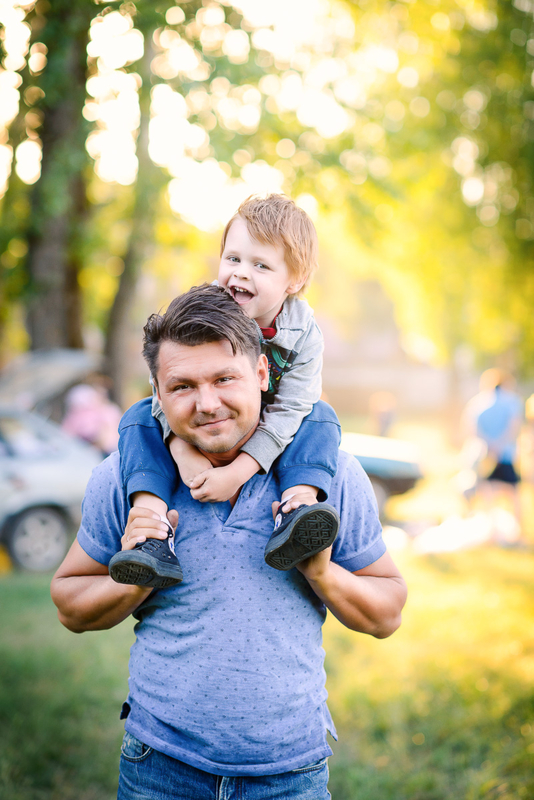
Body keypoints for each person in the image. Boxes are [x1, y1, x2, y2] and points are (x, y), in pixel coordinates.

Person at [50, 284, 407, 800]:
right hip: (160, 769)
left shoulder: (325, 476)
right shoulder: (128, 478)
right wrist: (135, 579)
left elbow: (387, 612)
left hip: (291, 775)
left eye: (224, 379)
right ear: (156, 393)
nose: (207, 403)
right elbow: (69, 604)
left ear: (261, 374)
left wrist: (322, 573)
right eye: (182, 386)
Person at [110, 195, 342, 587]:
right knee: (138, 417)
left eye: (260, 265)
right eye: (233, 259)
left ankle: (297, 508)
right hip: (205, 424)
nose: (241, 274)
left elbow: (293, 408)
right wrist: (182, 452)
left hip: (270, 426)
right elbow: (164, 385)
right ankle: (150, 530)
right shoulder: (202, 312)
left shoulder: (304, 333)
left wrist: (239, 471)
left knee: (320, 416)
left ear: (295, 281)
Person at [462, 368, 524, 540]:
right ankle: (519, 533)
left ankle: (491, 532)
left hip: (485, 454)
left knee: (487, 492)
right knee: (513, 493)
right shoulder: (512, 401)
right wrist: (500, 445)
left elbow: (472, 428)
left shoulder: (477, 402)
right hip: (505, 454)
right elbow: (513, 427)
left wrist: (489, 445)